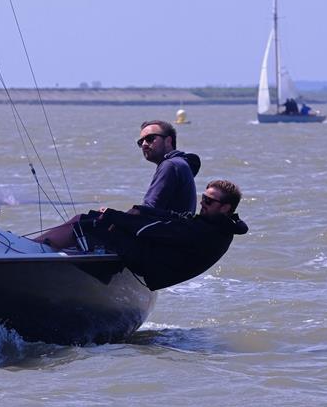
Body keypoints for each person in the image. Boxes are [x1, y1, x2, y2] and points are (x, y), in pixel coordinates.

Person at [35, 120, 200, 248]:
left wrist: (113, 217)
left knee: (81, 221)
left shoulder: (170, 166)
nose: (144, 144)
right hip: (167, 234)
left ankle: (31, 248)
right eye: (140, 142)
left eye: (150, 139)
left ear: (168, 141)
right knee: (94, 220)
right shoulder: (181, 163)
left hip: (157, 238)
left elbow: (147, 210)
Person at [73, 180, 248, 291]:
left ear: (225, 208)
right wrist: (140, 210)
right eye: (203, 197)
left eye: (209, 201)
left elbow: (153, 230)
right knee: (99, 220)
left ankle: (45, 246)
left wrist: (112, 215)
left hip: (147, 262)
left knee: (82, 222)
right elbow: (176, 218)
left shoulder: (206, 232)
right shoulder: (219, 226)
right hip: (151, 260)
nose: (202, 203)